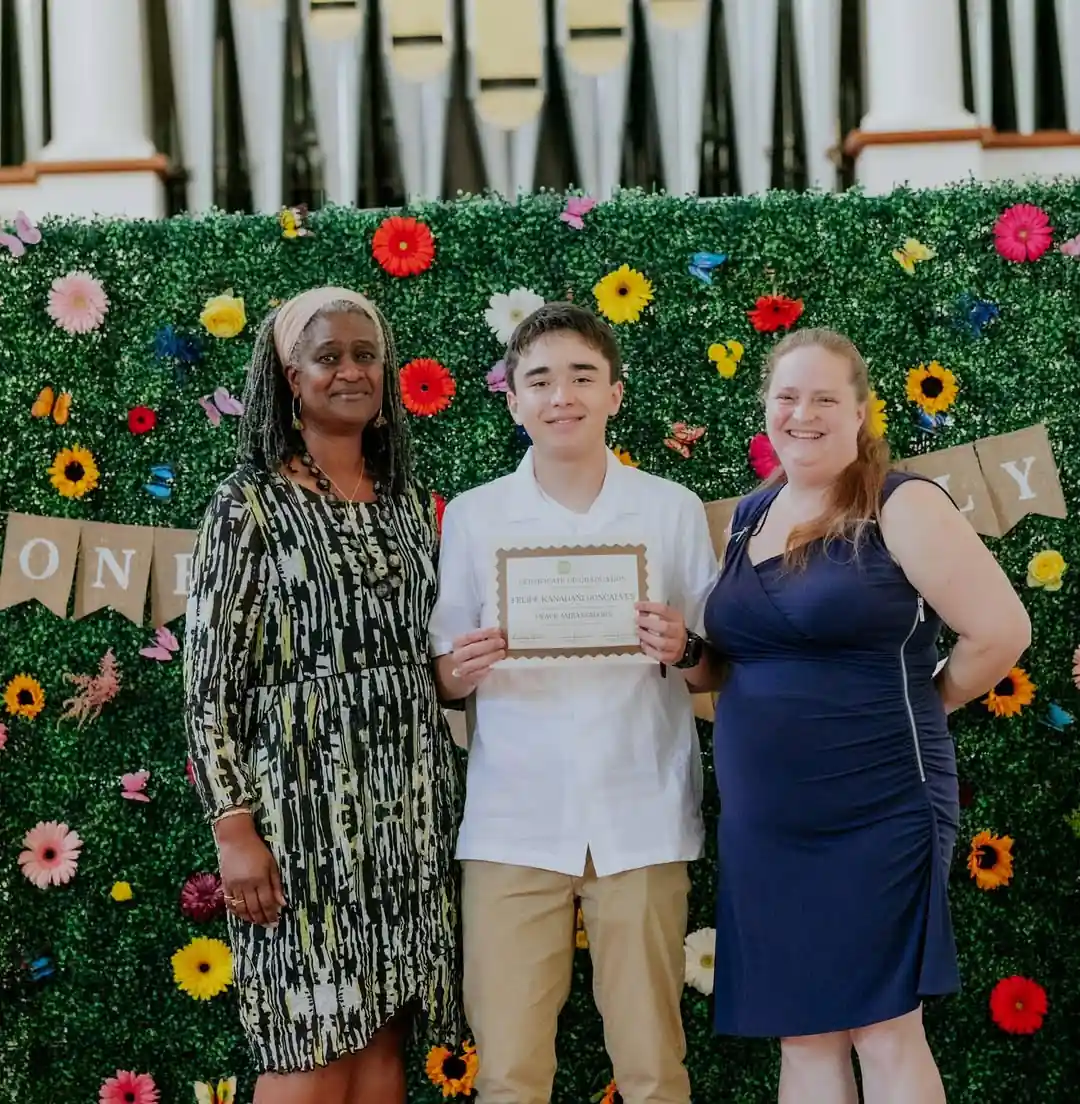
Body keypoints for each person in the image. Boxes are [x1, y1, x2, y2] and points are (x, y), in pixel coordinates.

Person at [702, 328, 1031, 1104]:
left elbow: (1002, 631)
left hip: (880, 804)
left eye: (824, 398)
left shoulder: (902, 503)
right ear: (766, 409)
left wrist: (933, 700)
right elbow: (735, 658)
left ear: (860, 413)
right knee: (804, 1030)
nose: (802, 414)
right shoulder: (749, 515)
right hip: (767, 820)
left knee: (885, 1027)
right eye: (787, 397)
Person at [430, 302, 721, 1104]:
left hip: (642, 811)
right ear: (514, 400)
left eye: (583, 377)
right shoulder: (476, 515)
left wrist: (686, 648)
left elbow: (713, 669)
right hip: (513, 818)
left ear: (616, 394)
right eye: (541, 380)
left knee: (655, 1068)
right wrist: (462, 666)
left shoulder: (670, 508)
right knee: (509, 1073)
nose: (563, 396)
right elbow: (442, 675)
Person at [183, 287, 463, 1104]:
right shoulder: (249, 506)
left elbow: (422, 650)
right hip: (299, 818)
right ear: (289, 374)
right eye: (328, 356)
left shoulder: (407, 502)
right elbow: (207, 682)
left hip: (406, 809)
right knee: (305, 1045)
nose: (351, 371)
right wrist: (235, 829)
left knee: (383, 1041)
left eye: (365, 355)